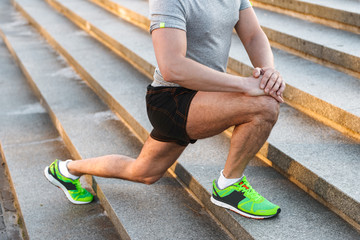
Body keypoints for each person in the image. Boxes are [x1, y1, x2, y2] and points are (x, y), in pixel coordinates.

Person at [44, 0, 285, 219]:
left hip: (206, 94)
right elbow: (172, 67)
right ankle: (229, 186)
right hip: (172, 99)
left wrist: (268, 71)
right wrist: (245, 84)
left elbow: (253, 36)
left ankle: (66, 170)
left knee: (144, 171)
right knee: (264, 105)